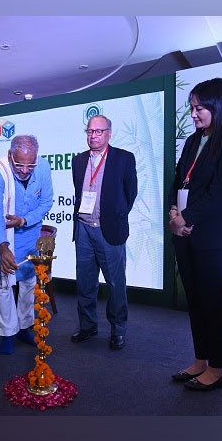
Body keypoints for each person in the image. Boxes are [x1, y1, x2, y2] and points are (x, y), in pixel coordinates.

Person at [168, 77, 222, 391]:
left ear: (218, 105)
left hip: (214, 236)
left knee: (211, 301)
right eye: (192, 108)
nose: (194, 114)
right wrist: (174, 213)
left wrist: (187, 217)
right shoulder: (193, 140)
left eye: (200, 107)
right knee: (195, 300)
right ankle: (200, 360)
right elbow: (178, 179)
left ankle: (217, 369)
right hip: (184, 231)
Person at [71, 115, 137, 351]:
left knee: (115, 283)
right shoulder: (78, 161)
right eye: (90, 131)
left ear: (109, 133)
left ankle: (118, 330)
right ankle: (88, 326)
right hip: (83, 229)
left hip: (110, 229)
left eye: (99, 132)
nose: (93, 136)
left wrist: (115, 215)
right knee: (85, 283)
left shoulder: (124, 159)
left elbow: (131, 193)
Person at [0, 135, 53, 355]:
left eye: (30, 165)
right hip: (3, 233)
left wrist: (25, 220)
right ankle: (7, 333)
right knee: (5, 284)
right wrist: (3, 246)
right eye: (20, 164)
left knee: (27, 283)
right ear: (10, 155)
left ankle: (25, 327)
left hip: (29, 233)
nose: (25, 170)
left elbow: (46, 202)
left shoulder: (42, 167)